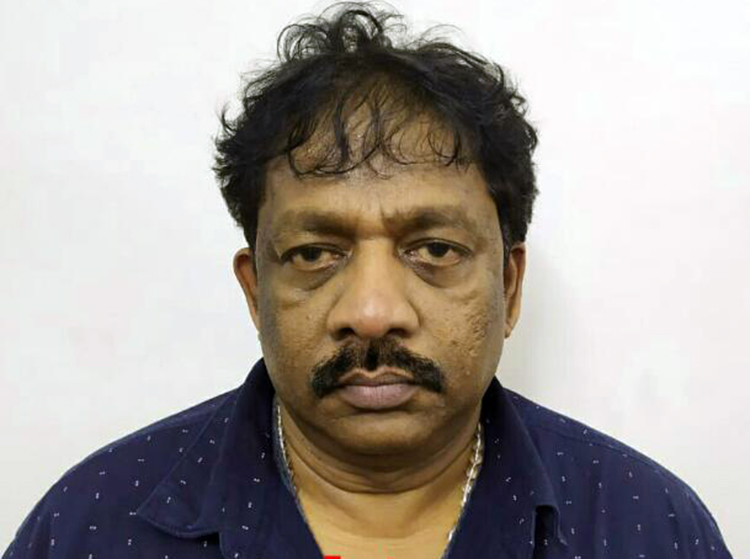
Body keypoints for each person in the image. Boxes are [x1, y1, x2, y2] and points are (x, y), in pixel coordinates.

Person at [3, 2, 734, 558]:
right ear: (255, 292)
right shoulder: (90, 527)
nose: (374, 311)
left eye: (435, 249)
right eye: (315, 254)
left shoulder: (648, 528)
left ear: (510, 287)